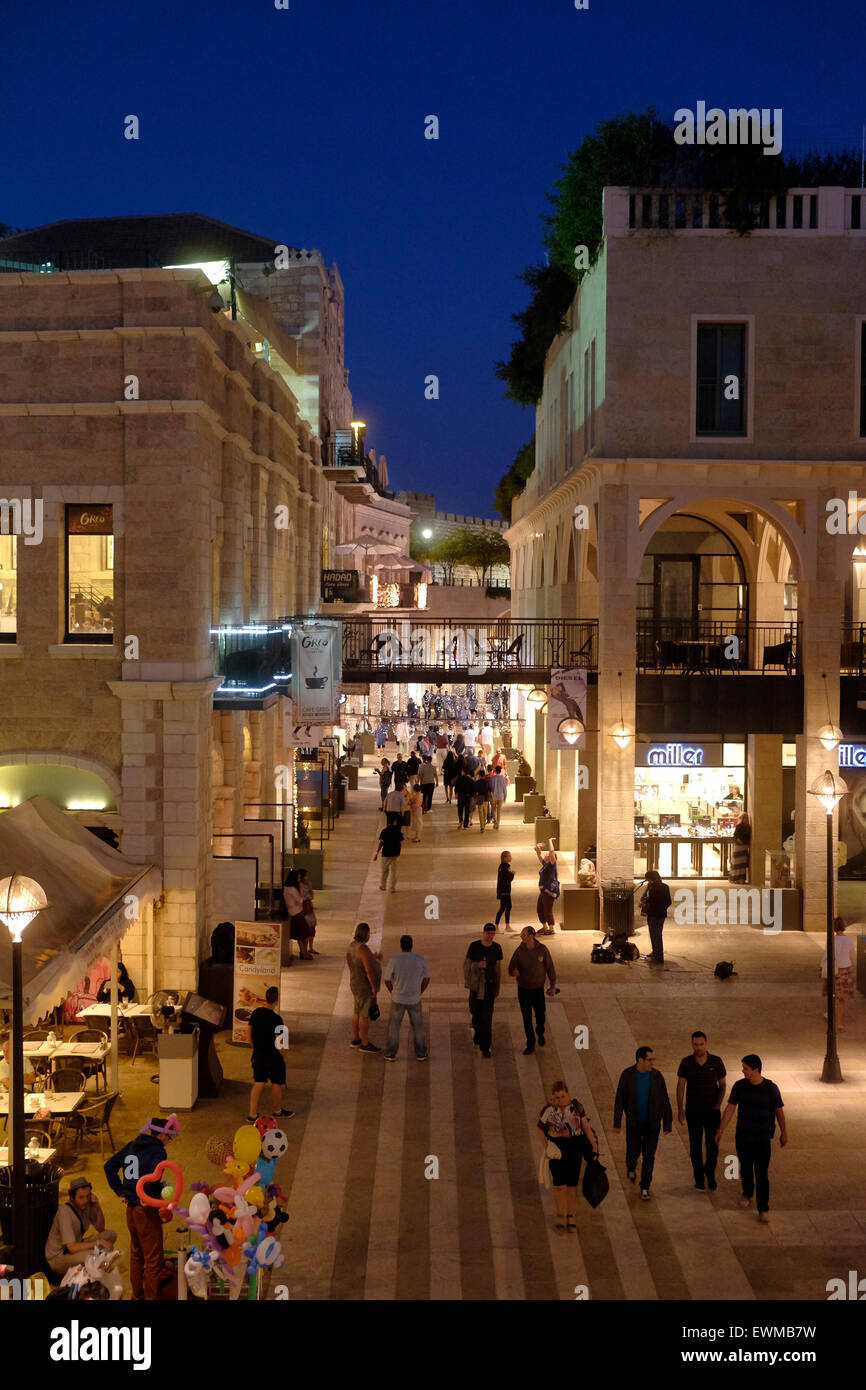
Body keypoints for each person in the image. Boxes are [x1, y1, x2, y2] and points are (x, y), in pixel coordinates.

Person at [104, 1116, 181, 1300]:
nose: (169, 1141)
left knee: (136, 1254)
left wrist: (120, 1190)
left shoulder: (132, 1144)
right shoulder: (158, 1152)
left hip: (130, 1209)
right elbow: (152, 1175)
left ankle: (136, 1296)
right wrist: (153, 1194)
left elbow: (109, 1166)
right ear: (162, 1135)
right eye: (169, 1137)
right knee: (154, 1260)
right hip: (145, 1209)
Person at [715, 1054, 787, 1222]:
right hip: (743, 1137)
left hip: (762, 1139)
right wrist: (721, 1130)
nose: (743, 1071)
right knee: (746, 1168)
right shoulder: (740, 1086)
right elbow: (730, 1108)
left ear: (755, 1070)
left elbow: (779, 1112)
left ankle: (763, 1207)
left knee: (762, 1173)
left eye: (745, 1068)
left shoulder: (770, 1088)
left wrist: (784, 1132)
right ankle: (747, 1193)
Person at [613, 1045, 673, 1201]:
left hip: (652, 1125)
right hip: (634, 1123)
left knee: (649, 1156)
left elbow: (664, 1100)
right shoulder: (627, 1075)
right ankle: (631, 1167)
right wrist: (617, 1122)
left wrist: (667, 1123)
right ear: (640, 1060)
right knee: (632, 1151)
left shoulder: (657, 1076)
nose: (652, 1063)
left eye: (653, 1059)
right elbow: (620, 1099)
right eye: (649, 1060)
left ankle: (645, 1186)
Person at [538, 1081, 598, 1231]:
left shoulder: (577, 1108)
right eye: (557, 1098)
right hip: (557, 1149)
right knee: (558, 1185)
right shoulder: (548, 1110)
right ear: (552, 1098)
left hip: (574, 1148)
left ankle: (570, 1215)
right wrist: (546, 1147)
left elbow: (586, 1127)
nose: (560, 1100)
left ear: (568, 1094)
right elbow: (539, 1129)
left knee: (571, 1186)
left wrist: (594, 1146)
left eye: (563, 1096)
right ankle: (560, 1214)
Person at [676, 1031, 727, 1191]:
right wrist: (680, 1108)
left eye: (701, 1044)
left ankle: (709, 1174)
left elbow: (723, 1085)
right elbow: (680, 1087)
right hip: (693, 1111)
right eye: (695, 1044)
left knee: (713, 1146)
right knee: (695, 1146)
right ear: (692, 1044)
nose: (698, 1047)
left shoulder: (716, 1062)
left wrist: (718, 1106)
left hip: (712, 1112)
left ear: (706, 1043)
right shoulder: (686, 1062)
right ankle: (699, 1178)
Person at [45, 1175, 117, 1277]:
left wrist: (97, 1206)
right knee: (92, 1255)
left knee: (110, 1235)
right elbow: (72, 1248)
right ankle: (96, 1266)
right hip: (59, 1258)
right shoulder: (65, 1213)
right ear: (72, 1197)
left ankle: (97, 1262)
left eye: (88, 1196)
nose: (85, 1200)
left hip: (77, 1244)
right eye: (81, 1197)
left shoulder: (87, 1205)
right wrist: (98, 1243)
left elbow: (100, 1228)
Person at [508, 926, 557, 1055]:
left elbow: (550, 967)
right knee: (526, 1018)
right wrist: (514, 971)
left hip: (538, 990)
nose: (521, 936)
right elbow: (511, 967)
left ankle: (540, 1033)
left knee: (540, 1015)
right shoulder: (519, 951)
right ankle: (530, 1043)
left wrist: (552, 985)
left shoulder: (542, 950)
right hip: (523, 990)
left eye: (523, 934)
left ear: (531, 936)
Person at [248, 985, 294, 1122]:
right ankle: (277, 1111)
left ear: (266, 998)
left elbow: (248, 1032)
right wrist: (284, 1057)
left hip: (258, 1054)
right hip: (273, 1057)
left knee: (259, 1082)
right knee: (276, 1083)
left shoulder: (256, 1013)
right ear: (277, 1000)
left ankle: (252, 1114)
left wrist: (254, 1047)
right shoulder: (278, 1020)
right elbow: (281, 1043)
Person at [383, 934, 430, 1060]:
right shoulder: (419, 959)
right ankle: (421, 1053)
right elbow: (426, 978)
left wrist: (393, 991)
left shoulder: (394, 960)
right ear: (412, 945)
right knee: (418, 1026)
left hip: (397, 998)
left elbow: (387, 979)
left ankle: (390, 1053)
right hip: (414, 998)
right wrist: (420, 991)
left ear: (401, 945)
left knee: (394, 1027)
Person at [464, 923, 503, 1058]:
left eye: (492, 934)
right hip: (476, 988)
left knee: (487, 1018)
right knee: (475, 1014)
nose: (490, 936)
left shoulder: (497, 948)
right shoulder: (474, 946)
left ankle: (486, 1047)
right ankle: (477, 1032)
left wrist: (498, 986)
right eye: (488, 933)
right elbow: (467, 965)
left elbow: (498, 968)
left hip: (489, 987)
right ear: (483, 932)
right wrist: (477, 965)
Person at [347, 923, 382, 1053]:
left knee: (357, 1012)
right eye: (368, 933)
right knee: (364, 1015)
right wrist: (373, 987)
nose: (369, 935)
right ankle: (365, 1043)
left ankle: (356, 1038)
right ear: (365, 934)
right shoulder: (363, 949)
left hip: (355, 983)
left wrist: (374, 958)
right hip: (364, 986)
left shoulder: (352, 946)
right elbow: (369, 971)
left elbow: (360, 961)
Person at [821, 916, 856, 1030]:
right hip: (845, 971)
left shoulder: (831, 940)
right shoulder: (849, 940)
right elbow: (853, 957)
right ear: (844, 927)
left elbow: (826, 956)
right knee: (841, 999)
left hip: (833, 970)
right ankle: (840, 1023)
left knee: (831, 995)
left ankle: (830, 1015)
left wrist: (821, 968)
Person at [639, 869, 671, 965]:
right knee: (658, 934)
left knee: (654, 935)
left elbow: (651, 902)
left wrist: (645, 905)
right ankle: (656, 953)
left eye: (648, 879)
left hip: (653, 915)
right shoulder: (665, 887)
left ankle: (658, 955)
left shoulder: (652, 888)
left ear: (650, 879)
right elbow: (669, 901)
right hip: (661, 914)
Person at [284, 869, 314, 960]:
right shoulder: (292, 889)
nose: (299, 880)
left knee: (300, 934)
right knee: (303, 934)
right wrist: (301, 889)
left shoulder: (286, 888)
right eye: (298, 878)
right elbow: (300, 900)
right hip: (296, 913)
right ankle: (304, 953)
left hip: (292, 912)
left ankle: (303, 952)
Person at [535, 843, 559, 934]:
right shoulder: (545, 864)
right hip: (543, 891)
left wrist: (550, 841)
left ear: (552, 858)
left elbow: (552, 851)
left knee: (547, 910)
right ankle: (545, 927)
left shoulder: (552, 865)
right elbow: (538, 854)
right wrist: (538, 847)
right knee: (540, 908)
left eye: (548, 855)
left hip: (548, 891)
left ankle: (551, 929)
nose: (545, 854)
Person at [376, 819, 404, 892]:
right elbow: (401, 841)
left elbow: (381, 843)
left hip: (386, 853)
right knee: (393, 872)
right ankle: (392, 888)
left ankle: (383, 886)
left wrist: (377, 853)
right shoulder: (397, 831)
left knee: (384, 871)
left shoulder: (384, 831)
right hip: (395, 854)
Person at [298, 867, 319, 956]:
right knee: (306, 929)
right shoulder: (299, 885)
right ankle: (305, 950)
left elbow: (311, 896)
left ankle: (310, 947)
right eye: (306, 876)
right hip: (304, 909)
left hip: (309, 908)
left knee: (312, 927)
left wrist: (310, 887)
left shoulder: (307, 885)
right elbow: (303, 897)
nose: (308, 877)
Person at [729, 813, 751, 884]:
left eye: (746, 818)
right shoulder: (740, 826)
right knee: (737, 863)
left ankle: (741, 879)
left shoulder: (748, 827)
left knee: (742, 864)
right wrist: (740, 842)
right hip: (739, 847)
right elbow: (736, 836)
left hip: (743, 847)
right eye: (744, 818)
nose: (745, 819)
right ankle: (736, 879)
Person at [495, 850, 515, 928]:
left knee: (506, 907)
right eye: (509, 856)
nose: (511, 857)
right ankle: (499, 925)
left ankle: (506, 925)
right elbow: (508, 879)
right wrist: (512, 874)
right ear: (505, 858)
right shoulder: (506, 866)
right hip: (505, 891)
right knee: (504, 908)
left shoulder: (501, 866)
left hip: (502, 890)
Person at [455, 763, 476, 830]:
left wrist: (456, 793)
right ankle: (465, 825)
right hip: (468, 797)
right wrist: (472, 797)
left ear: (463, 772)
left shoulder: (459, 779)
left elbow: (456, 787)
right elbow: (473, 790)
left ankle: (461, 820)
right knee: (467, 811)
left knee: (460, 809)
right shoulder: (471, 780)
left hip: (460, 796)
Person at [489, 764, 508, 829]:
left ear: (495, 771)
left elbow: (491, 788)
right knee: (499, 811)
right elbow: (504, 788)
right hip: (500, 797)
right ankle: (498, 824)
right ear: (500, 771)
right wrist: (505, 797)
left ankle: (495, 822)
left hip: (494, 797)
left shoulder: (492, 778)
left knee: (493, 810)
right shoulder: (502, 778)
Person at [474, 766, 491, 834]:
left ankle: (482, 827)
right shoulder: (487, 782)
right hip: (486, 798)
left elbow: (475, 791)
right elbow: (490, 790)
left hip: (480, 798)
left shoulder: (477, 782)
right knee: (485, 812)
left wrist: (474, 799)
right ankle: (483, 824)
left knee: (480, 813)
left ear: (479, 775)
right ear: (484, 775)